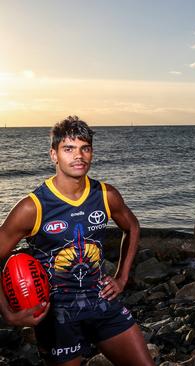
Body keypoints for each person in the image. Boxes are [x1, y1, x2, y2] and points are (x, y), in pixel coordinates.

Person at [0, 116, 154, 365]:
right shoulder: (33, 207)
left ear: (92, 153)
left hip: (102, 302)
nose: (78, 155)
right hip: (57, 315)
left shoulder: (106, 195)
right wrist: (8, 312)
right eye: (68, 149)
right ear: (54, 155)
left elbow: (132, 226)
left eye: (85, 148)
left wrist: (122, 277)